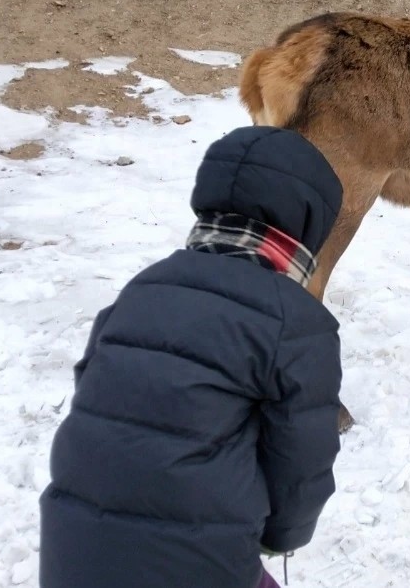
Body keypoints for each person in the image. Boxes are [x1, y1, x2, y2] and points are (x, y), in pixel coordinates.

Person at [39, 125, 345, 588]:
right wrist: (283, 536)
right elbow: (302, 463)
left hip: (72, 557)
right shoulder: (296, 322)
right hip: (199, 563)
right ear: (308, 222)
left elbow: (97, 397)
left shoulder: (144, 287)